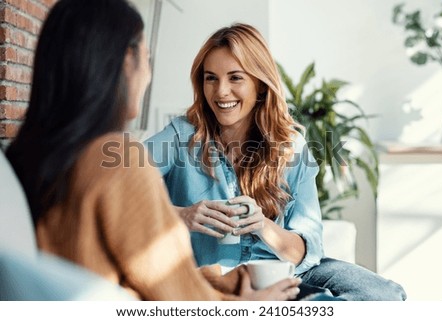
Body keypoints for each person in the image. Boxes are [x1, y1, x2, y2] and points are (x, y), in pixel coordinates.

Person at [5, 0, 301, 301]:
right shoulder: (120, 160)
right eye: (147, 58)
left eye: (235, 77)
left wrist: (226, 279)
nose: (148, 73)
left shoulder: (29, 157)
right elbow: (180, 298)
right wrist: (251, 306)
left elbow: (133, 273)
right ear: (124, 62)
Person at [145, 23, 407, 301]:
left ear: (259, 83)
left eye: (235, 78)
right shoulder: (181, 134)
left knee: (384, 294)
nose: (221, 91)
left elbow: (305, 251)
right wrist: (181, 215)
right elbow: (116, 188)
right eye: (211, 78)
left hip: (280, 273)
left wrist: (262, 226)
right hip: (215, 278)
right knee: (320, 304)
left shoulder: (291, 146)